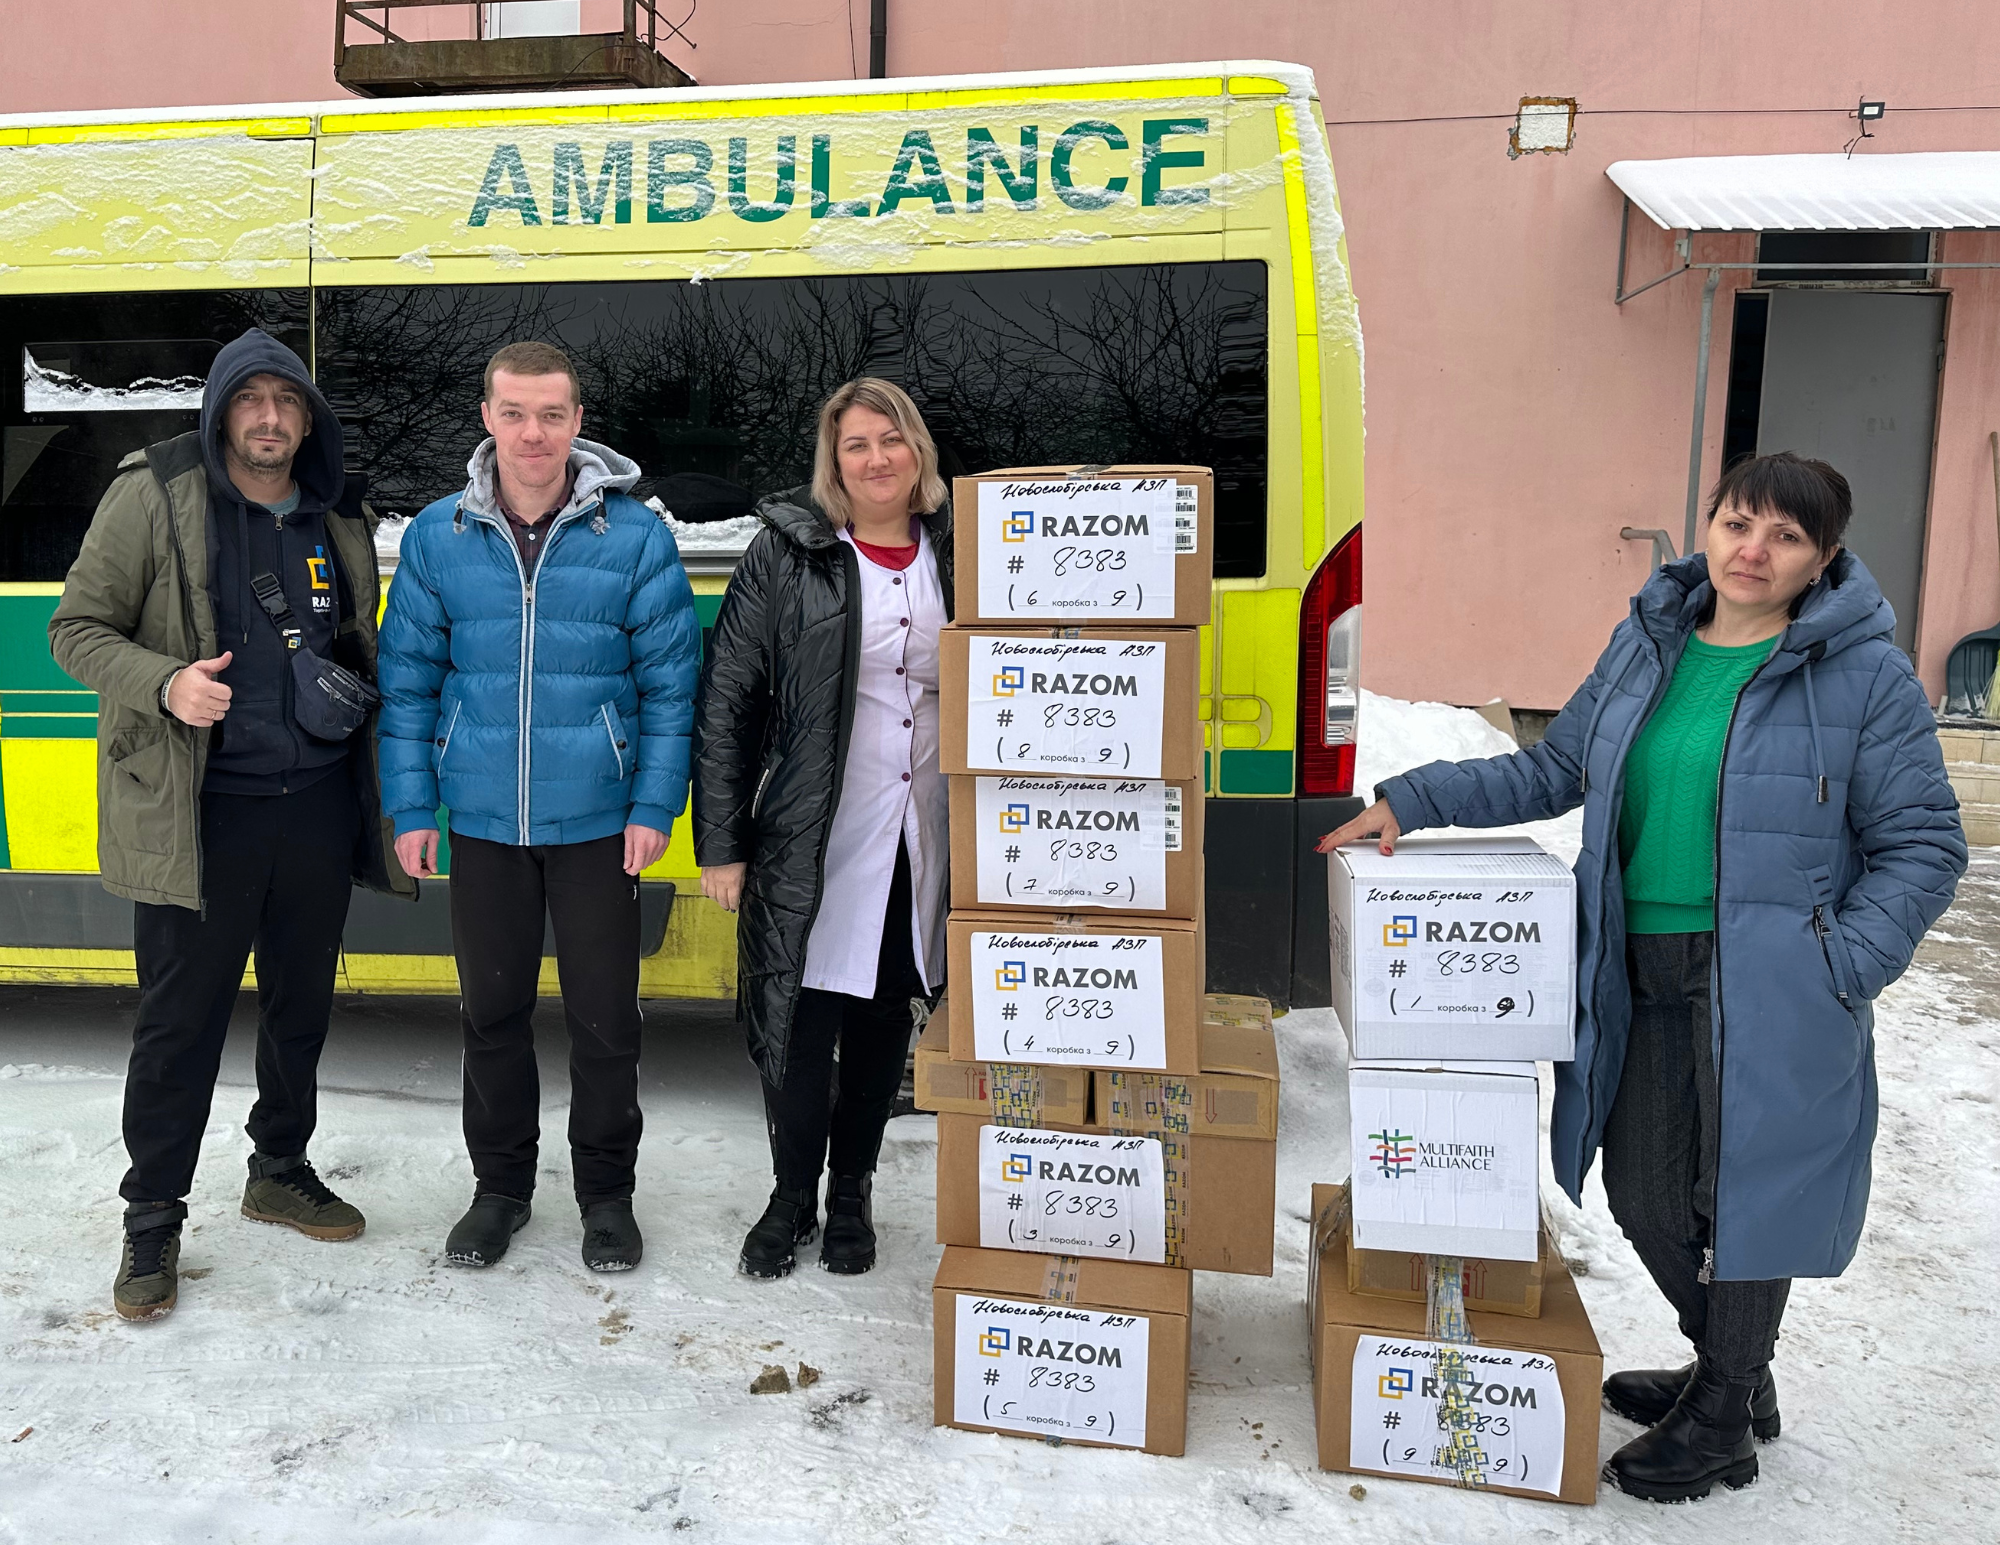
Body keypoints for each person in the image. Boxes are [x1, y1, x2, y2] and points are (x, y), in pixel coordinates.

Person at [1319, 451, 1965, 1502]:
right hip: (1635, 961)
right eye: (1735, 522)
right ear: (1705, 526)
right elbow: (1555, 766)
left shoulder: (1863, 679)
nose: (1751, 549)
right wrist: (1412, 798)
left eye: (1784, 537)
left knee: (1751, 1195)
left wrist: (1841, 962)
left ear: (1822, 561)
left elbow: (1922, 844)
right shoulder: (1650, 642)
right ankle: (1733, 1370)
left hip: (1770, 977)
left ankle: (1719, 1419)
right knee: (1644, 1191)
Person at [48, 328, 414, 1322]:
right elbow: (75, 629)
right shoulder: (153, 494)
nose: (267, 419)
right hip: (199, 816)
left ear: (306, 417)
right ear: (219, 412)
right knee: (179, 1028)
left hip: (317, 808)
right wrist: (164, 684)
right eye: (248, 401)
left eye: (284, 402)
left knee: (300, 1009)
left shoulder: (337, 509)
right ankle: (152, 1220)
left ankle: (279, 1170)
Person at [376, 341, 700, 1274]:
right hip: (480, 822)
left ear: (577, 422)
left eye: (551, 414)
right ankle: (501, 1190)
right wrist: (411, 810)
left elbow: (670, 689)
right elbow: (407, 689)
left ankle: (606, 1194)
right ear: (487, 417)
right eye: (514, 412)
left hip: (601, 824)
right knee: (492, 1017)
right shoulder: (439, 536)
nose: (532, 433)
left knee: (606, 1022)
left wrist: (653, 806)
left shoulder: (634, 537)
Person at [694, 378, 950, 1279]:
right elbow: (729, 698)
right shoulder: (788, 553)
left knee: (883, 1018)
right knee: (799, 1018)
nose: (876, 458)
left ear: (916, 449)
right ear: (832, 462)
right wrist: (720, 841)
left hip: (920, 830)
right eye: (855, 445)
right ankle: (790, 1193)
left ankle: (852, 1193)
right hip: (812, 830)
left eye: (891, 438)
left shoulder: (958, 552)